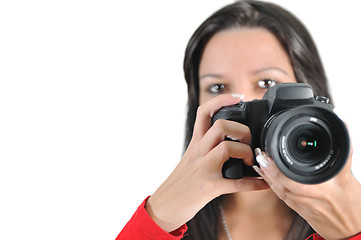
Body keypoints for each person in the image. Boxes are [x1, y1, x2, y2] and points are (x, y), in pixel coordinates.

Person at [117, 1, 361, 239]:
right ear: (197, 106)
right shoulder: (171, 222)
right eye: (218, 87)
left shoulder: (353, 213)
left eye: (268, 83)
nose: (244, 102)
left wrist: (352, 229)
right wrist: (159, 217)